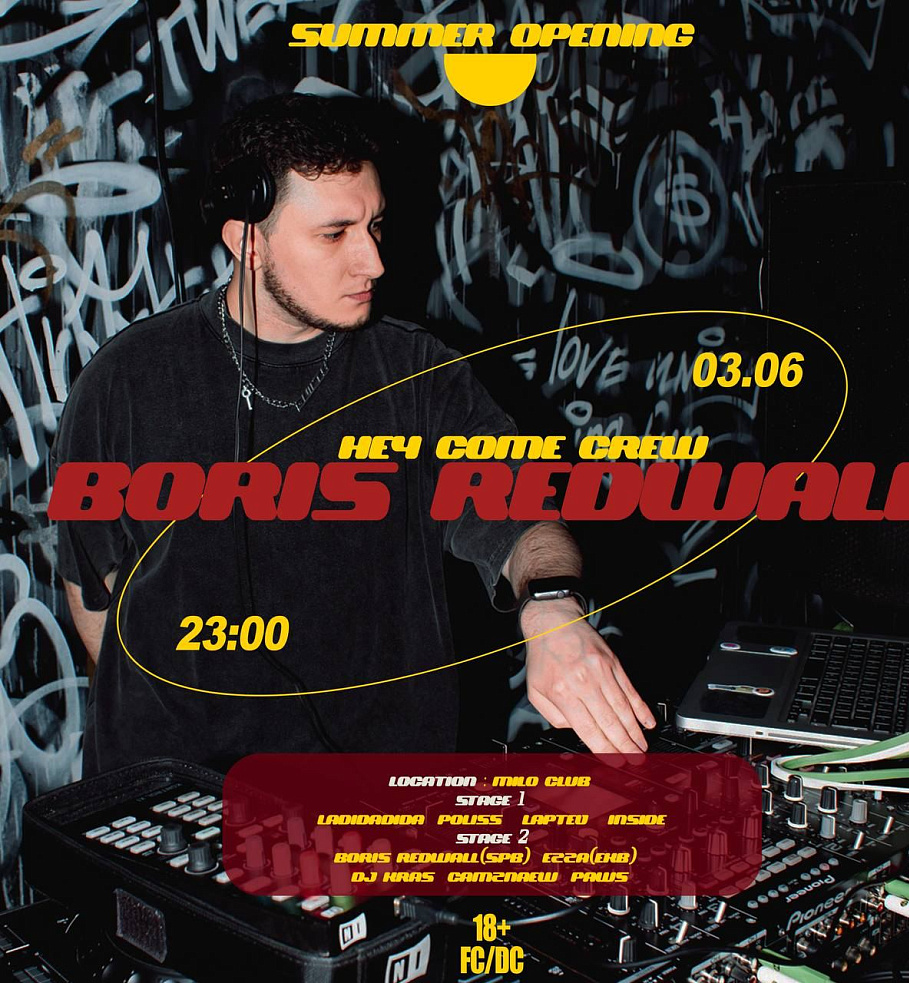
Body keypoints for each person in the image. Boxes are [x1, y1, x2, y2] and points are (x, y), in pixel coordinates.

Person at [52, 93, 655, 777]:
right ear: (248, 241)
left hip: (374, 801)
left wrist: (551, 608)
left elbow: (523, 519)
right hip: (178, 800)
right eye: (334, 234)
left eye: (374, 225)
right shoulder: (125, 382)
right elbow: (92, 593)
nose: (372, 261)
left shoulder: (419, 375)